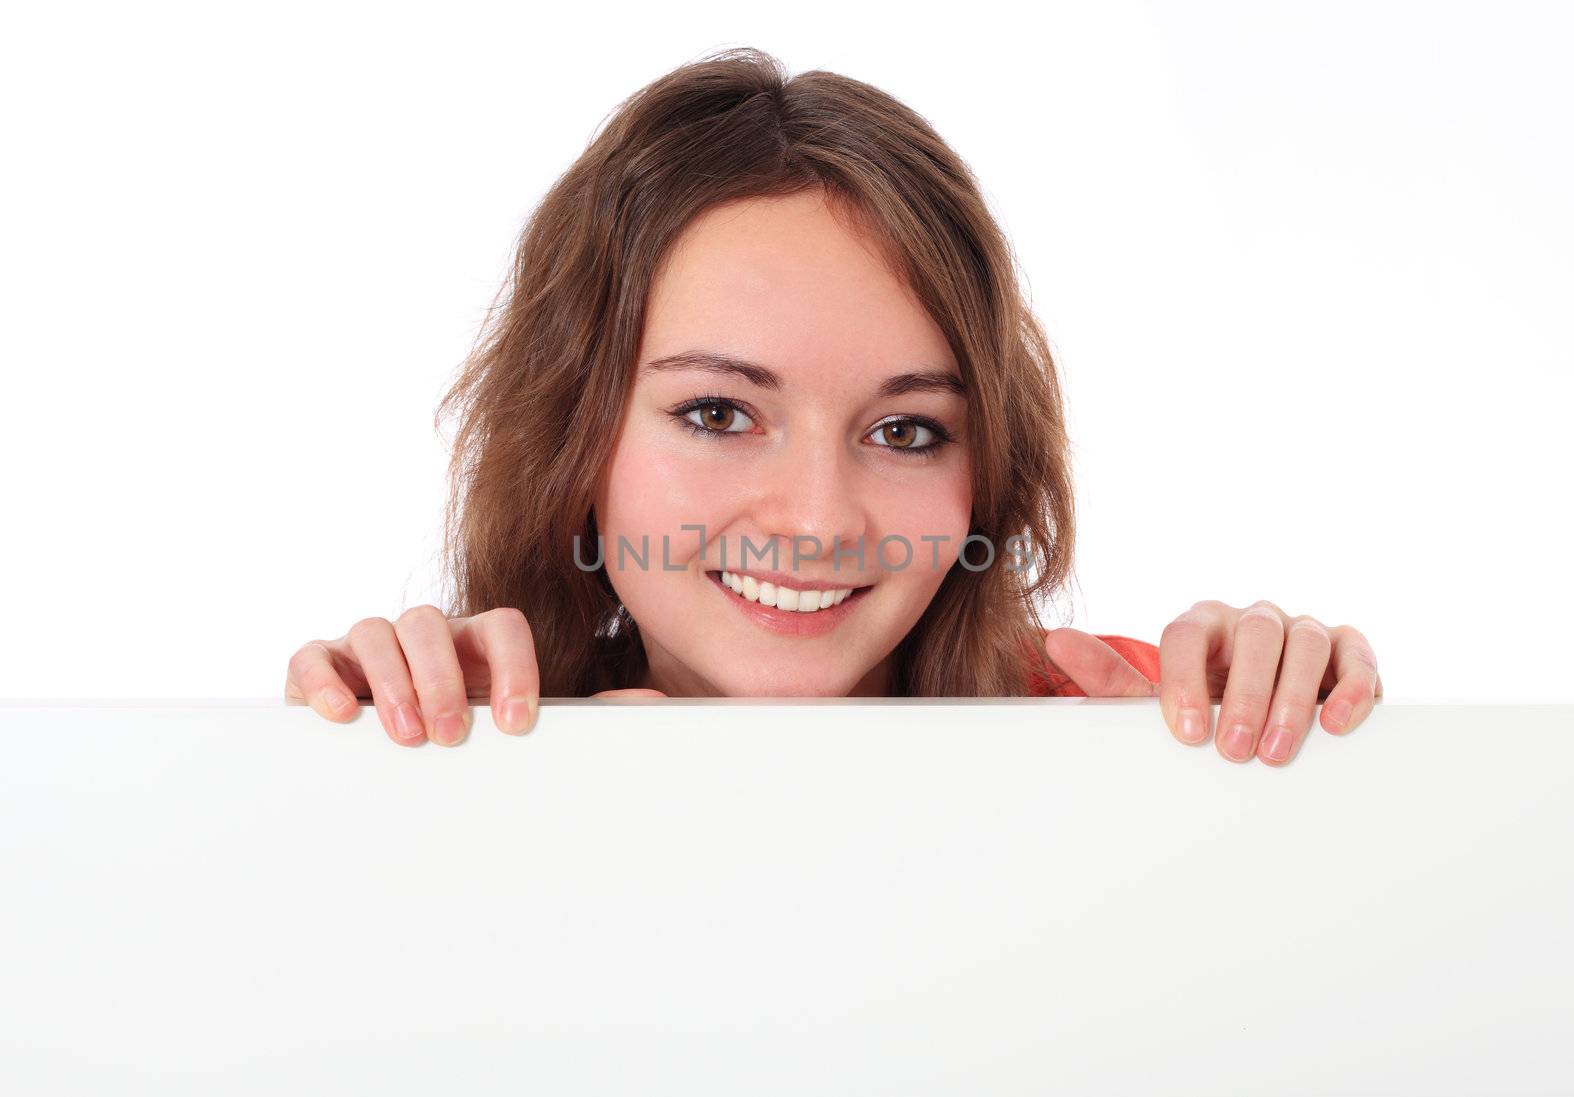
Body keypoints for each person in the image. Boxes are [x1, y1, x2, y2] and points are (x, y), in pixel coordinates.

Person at [284, 48, 1381, 764]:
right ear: (576, 438)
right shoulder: (461, 744)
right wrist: (380, 787)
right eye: (716, 412)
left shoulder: (1131, 725)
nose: (817, 521)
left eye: (905, 430)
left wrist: (1286, 775)